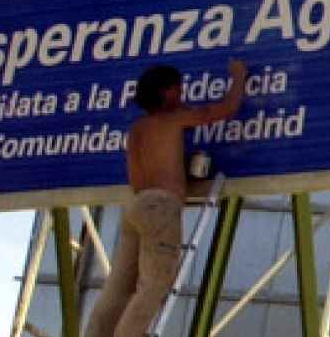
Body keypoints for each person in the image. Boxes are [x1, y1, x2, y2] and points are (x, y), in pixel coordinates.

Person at [84, 59, 248, 337]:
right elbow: (225, 109)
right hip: (161, 206)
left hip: (138, 205)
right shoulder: (172, 120)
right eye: (177, 87)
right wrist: (239, 76)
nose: (183, 92)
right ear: (163, 91)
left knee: (118, 288)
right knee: (154, 285)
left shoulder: (138, 128)